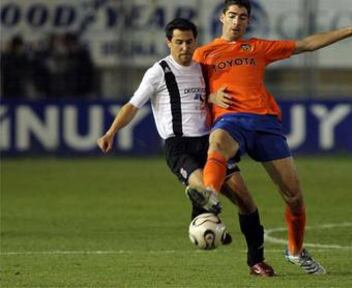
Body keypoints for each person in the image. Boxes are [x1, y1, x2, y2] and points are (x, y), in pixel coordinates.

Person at [189, 0, 352, 275]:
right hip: (230, 121)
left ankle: (295, 251)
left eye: (242, 17)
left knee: (294, 197)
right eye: (232, 15)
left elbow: (306, 44)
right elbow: (189, 93)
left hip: (266, 124)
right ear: (222, 17)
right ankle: (209, 195)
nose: (236, 21)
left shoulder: (257, 47)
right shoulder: (203, 54)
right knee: (217, 142)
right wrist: (210, 95)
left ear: (248, 21)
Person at [97, 18, 276, 277]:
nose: (184, 47)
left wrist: (213, 96)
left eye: (189, 42)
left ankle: (255, 261)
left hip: (210, 144)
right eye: (178, 42)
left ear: (196, 41)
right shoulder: (158, 72)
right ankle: (207, 217)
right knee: (204, 187)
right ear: (169, 42)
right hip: (178, 147)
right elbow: (132, 105)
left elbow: (209, 95)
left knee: (246, 202)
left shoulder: (202, 68)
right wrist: (111, 131)